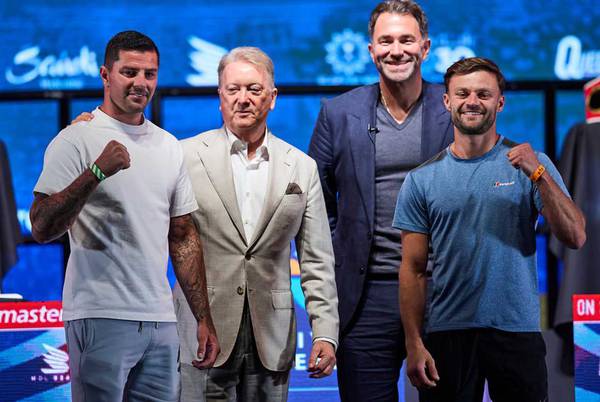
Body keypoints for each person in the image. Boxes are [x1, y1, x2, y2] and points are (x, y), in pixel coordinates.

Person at [30, 30, 218, 402]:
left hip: (161, 319)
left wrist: (202, 317)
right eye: (129, 72)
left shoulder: (168, 145)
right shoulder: (75, 139)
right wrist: (95, 173)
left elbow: (182, 236)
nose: (140, 82)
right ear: (106, 75)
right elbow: (41, 226)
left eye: (149, 74)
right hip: (99, 314)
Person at [393, 57, 586, 402]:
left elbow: (575, 236)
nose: (472, 101)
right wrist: (414, 343)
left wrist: (538, 174)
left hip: (517, 332)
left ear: (500, 102)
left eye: (483, 94)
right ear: (447, 101)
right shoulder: (421, 180)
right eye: (463, 93)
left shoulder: (533, 165)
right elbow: (413, 269)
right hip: (448, 333)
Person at [172, 47, 339, 402]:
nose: (243, 99)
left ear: (272, 97)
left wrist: (324, 332)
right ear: (220, 96)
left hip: (272, 337)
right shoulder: (183, 156)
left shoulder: (301, 166)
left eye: (254, 89)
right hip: (203, 330)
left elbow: (317, 260)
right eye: (233, 89)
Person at [308, 1, 452, 400]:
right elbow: (317, 201)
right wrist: (340, 248)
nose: (396, 50)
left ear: (425, 47)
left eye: (406, 40)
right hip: (365, 294)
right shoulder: (338, 112)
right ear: (371, 50)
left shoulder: (454, 107)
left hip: (442, 291)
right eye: (386, 41)